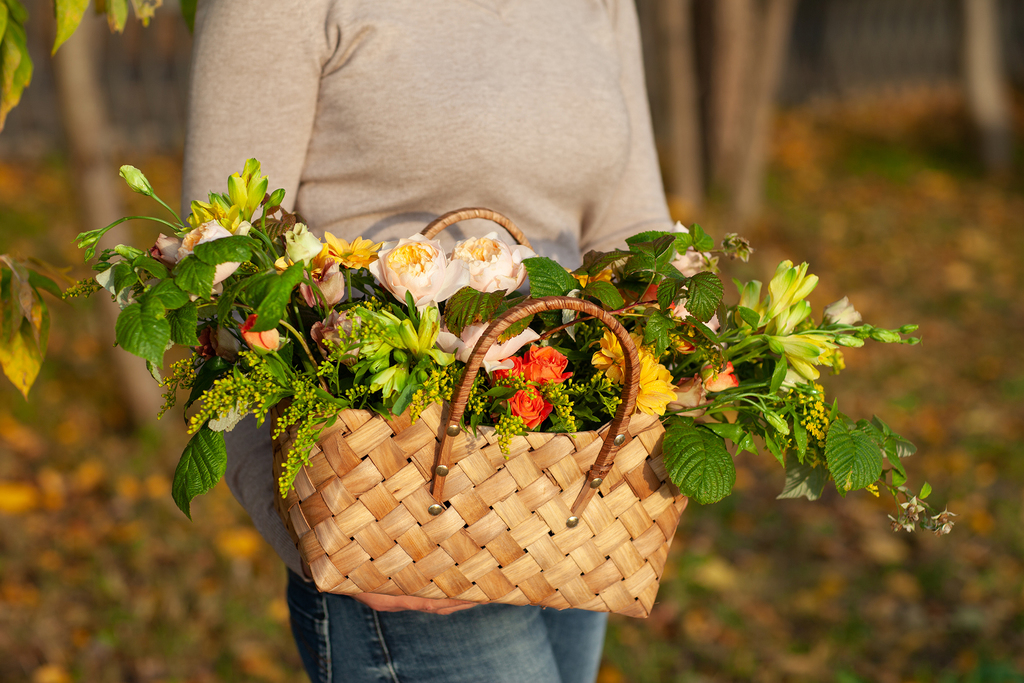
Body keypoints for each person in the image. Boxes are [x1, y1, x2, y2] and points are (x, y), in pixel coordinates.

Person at [181, 1, 672, 681]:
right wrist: (307, 523)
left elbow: (633, 225)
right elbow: (216, 270)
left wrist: (693, 364)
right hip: (398, 497)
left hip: (568, 474)